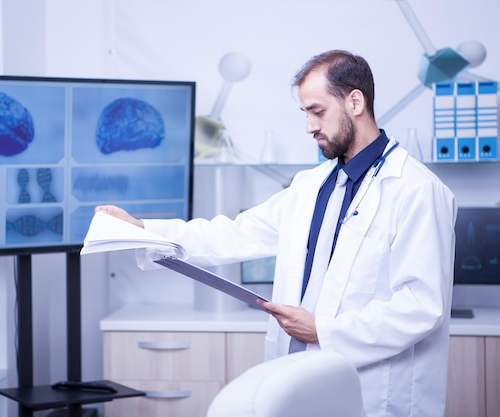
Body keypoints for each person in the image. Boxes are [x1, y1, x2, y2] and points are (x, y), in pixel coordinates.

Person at [96, 50, 456, 417]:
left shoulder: (416, 190)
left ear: (355, 101)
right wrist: (144, 230)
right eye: (305, 114)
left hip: (374, 392)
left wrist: (323, 331)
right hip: (302, 382)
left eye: (317, 112)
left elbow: (421, 306)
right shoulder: (311, 186)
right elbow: (236, 233)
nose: (309, 127)